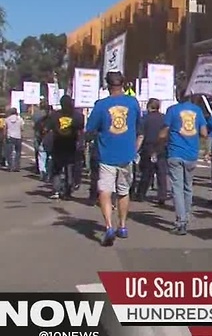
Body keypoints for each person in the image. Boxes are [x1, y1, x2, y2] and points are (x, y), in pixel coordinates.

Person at [86, 71, 143, 246]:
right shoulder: (133, 103)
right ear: (123, 84)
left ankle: (109, 226)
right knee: (124, 191)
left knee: (105, 191)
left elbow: (90, 129)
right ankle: (123, 225)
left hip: (106, 154)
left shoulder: (101, 105)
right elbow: (138, 128)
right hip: (127, 154)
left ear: (107, 85)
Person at [160, 92, 207, 236]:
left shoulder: (172, 110)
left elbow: (164, 132)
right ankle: (185, 217)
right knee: (188, 187)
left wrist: (161, 138)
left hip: (175, 152)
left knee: (177, 188)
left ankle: (181, 221)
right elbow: (204, 132)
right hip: (191, 153)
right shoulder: (198, 110)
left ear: (177, 96)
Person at [47, 96, 84, 199]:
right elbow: (81, 127)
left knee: (57, 170)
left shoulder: (55, 115)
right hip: (71, 145)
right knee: (69, 169)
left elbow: (48, 127)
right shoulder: (77, 115)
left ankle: (56, 190)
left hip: (58, 144)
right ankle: (68, 191)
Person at [135, 98, 168, 204]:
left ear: (148, 107)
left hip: (148, 147)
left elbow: (141, 136)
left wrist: (136, 149)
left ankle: (141, 194)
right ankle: (162, 195)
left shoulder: (144, 119)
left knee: (146, 173)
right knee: (161, 172)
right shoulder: (164, 118)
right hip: (162, 147)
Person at [34, 106, 53, 180]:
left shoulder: (40, 121)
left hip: (43, 140)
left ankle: (43, 172)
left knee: (42, 158)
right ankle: (48, 173)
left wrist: (39, 139)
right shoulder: (56, 120)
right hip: (52, 142)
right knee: (50, 158)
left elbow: (37, 132)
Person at [4, 108, 24, 172]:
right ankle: (17, 166)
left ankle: (10, 166)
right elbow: (22, 128)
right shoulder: (20, 119)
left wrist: (5, 136)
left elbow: (5, 129)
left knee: (9, 152)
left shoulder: (7, 119)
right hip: (18, 136)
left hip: (10, 136)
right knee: (18, 152)